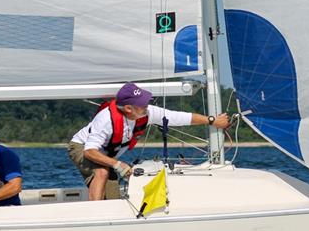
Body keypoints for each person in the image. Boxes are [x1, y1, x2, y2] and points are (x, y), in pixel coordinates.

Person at [68, 82, 231, 201]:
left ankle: (110, 217)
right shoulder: (105, 120)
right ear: (128, 109)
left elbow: (179, 117)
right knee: (101, 172)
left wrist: (212, 121)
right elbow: (90, 152)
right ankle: (94, 217)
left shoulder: (146, 112)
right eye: (141, 104)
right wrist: (118, 165)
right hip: (82, 147)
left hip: (106, 156)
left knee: (113, 199)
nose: (146, 106)